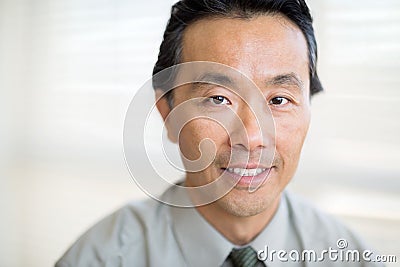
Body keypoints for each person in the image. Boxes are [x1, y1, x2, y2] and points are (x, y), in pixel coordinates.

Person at [56, 0, 384, 266]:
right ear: (168, 113)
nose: (253, 136)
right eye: (218, 99)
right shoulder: (100, 258)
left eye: (279, 100)